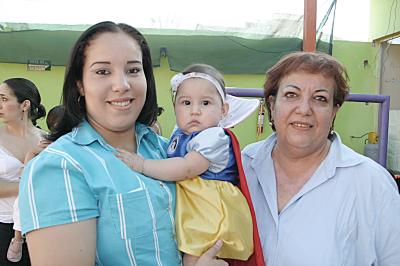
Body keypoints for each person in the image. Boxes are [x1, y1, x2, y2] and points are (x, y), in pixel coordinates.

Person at [18, 21, 228, 266]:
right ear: (80, 84)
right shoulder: (59, 168)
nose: (122, 85)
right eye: (103, 72)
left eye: (133, 70)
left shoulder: (167, 150)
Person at [241, 51, 400, 265]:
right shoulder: (243, 166)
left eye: (320, 98)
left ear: (334, 111)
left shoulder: (372, 183)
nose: (304, 109)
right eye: (291, 95)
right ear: (272, 104)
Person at [116, 64, 257, 266]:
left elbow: (187, 167)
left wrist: (143, 165)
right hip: (194, 206)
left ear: (223, 110)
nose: (195, 111)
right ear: (175, 107)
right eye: (186, 103)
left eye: (206, 103)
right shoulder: (180, 135)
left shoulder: (213, 137)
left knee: (194, 256)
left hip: (209, 211)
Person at [0, 77, 46, 265]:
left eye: (3, 99)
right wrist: (29, 184)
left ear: (24, 105)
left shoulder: (47, 140)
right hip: (3, 225)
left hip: (39, 224)